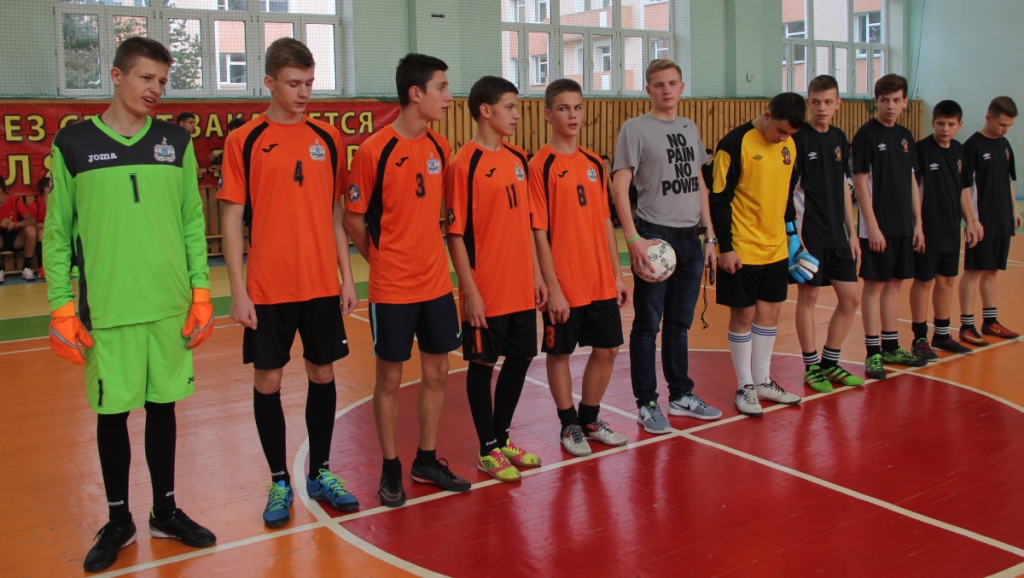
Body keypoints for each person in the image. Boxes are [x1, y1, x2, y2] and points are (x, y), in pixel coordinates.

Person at [44, 36, 216, 572]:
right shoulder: (73, 144)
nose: (156, 89)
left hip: (169, 307)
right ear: (117, 76)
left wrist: (201, 291)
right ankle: (118, 519)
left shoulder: (176, 142)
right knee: (111, 413)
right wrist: (61, 306)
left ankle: (165, 510)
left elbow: (192, 222)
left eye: (162, 80)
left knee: (164, 409)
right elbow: (57, 233)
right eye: (146, 78)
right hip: (108, 311)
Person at [220, 38, 360, 528]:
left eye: (310, 83)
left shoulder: (328, 138)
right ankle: (279, 479)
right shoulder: (245, 140)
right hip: (267, 287)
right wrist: (238, 291)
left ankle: (320, 472)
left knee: (323, 374)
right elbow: (231, 218)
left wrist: (347, 277)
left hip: (320, 283)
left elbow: (336, 214)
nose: (304, 93)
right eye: (294, 84)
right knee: (269, 380)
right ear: (269, 83)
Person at [344, 53, 471, 508]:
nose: (449, 97)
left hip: (435, 283)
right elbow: (353, 219)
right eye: (442, 87)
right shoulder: (374, 150)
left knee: (438, 372)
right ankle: (390, 467)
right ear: (416, 93)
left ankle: (426, 460)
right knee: (391, 378)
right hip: (393, 287)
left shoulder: (440, 147)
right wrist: (382, 261)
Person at [612, 58, 721, 434]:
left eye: (672, 83)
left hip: (692, 241)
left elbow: (700, 184)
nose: (667, 90)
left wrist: (710, 235)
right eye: (659, 84)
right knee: (647, 325)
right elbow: (620, 185)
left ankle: (681, 394)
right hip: (655, 239)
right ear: (648, 90)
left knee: (679, 324)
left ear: (682, 86)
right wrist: (632, 238)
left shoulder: (690, 128)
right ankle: (646, 402)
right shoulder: (635, 128)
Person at [445, 76, 546, 482]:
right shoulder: (463, 164)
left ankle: (502, 439)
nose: (517, 115)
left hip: (520, 286)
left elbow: (528, 223)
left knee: (521, 359)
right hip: (486, 289)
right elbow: (455, 234)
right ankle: (487, 449)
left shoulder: (519, 158)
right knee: (483, 365)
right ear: (485, 110)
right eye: (510, 107)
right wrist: (469, 291)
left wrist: (537, 275)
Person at [530, 78, 631, 457]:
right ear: (547, 114)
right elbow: (537, 231)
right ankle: (568, 424)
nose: (572, 115)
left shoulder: (593, 163)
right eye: (563, 108)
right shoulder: (539, 166)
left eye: (577, 107)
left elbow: (605, 221)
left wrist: (617, 274)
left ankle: (589, 419)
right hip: (564, 282)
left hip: (599, 278)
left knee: (608, 349)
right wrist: (552, 287)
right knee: (559, 354)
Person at [710, 92, 809, 417]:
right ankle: (745, 386)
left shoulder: (790, 145)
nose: (783, 138)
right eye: (780, 130)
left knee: (770, 314)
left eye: (789, 134)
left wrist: (793, 238)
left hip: (776, 248)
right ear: (767, 115)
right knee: (744, 315)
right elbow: (719, 200)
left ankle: (763, 381)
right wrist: (726, 248)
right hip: (742, 249)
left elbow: (786, 198)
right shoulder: (734, 144)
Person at [790, 75, 866, 392]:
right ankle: (811, 367)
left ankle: (830, 363)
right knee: (808, 298)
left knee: (851, 298)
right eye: (816, 102)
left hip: (838, 235)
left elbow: (844, 188)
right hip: (810, 235)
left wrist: (852, 233)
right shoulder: (797, 140)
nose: (822, 107)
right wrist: (796, 240)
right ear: (809, 103)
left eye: (828, 102)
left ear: (838, 104)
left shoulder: (839, 137)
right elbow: (790, 194)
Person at [852, 74, 927, 380]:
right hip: (877, 227)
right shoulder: (866, 135)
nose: (891, 106)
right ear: (876, 101)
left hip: (902, 225)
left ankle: (891, 345)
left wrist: (918, 223)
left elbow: (912, 180)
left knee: (895, 284)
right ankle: (873, 352)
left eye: (896, 100)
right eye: (885, 100)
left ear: (905, 102)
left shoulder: (906, 136)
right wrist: (872, 227)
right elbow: (860, 184)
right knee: (874, 286)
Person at [909, 100, 981, 357]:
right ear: (933, 122)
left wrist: (970, 220)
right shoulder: (921, 149)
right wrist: (917, 225)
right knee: (923, 281)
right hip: (927, 228)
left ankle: (941, 335)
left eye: (951, 124)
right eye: (941, 124)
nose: (945, 129)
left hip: (951, 228)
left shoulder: (960, 150)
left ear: (959, 125)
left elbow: (963, 190)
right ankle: (919, 338)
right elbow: (913, 189)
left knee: (947, 280)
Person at [958, 96, 1020, 344]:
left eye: (1009, 125)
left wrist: (1014, 209)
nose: (1005, 129)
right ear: (988, 117)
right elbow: (964, 188)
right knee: (974, 271)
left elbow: (1009, 180)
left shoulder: (1004, 145)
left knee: (992, 270)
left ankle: (990, 321)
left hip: (1002, 217)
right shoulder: (972, 146)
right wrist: (972, 220)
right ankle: (967, 324)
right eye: (1002, 124)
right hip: (980, 220)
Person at [0, 177, 37, 281]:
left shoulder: (15, 201)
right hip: (1, 238)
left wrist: (15, 224)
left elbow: (31, 220)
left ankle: (26, 268)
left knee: (31, 229)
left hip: (16, 237)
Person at [28, 176, 52, 278]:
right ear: (46, 189)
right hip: (43, 231)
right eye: (52, 185)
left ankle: (73, 265)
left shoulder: (58, 202)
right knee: (41, 233)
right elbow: (31, 223)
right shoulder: (36, 204)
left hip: (57, 229)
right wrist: (45, 226)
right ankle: (42, 267)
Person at [177, 112, 205, 178]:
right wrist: (190, 171)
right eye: (190, 122)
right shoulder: (177, 138)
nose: (194, 125)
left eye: (194, 122)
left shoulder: (187, 137)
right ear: (181, 123)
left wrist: (207, 170)